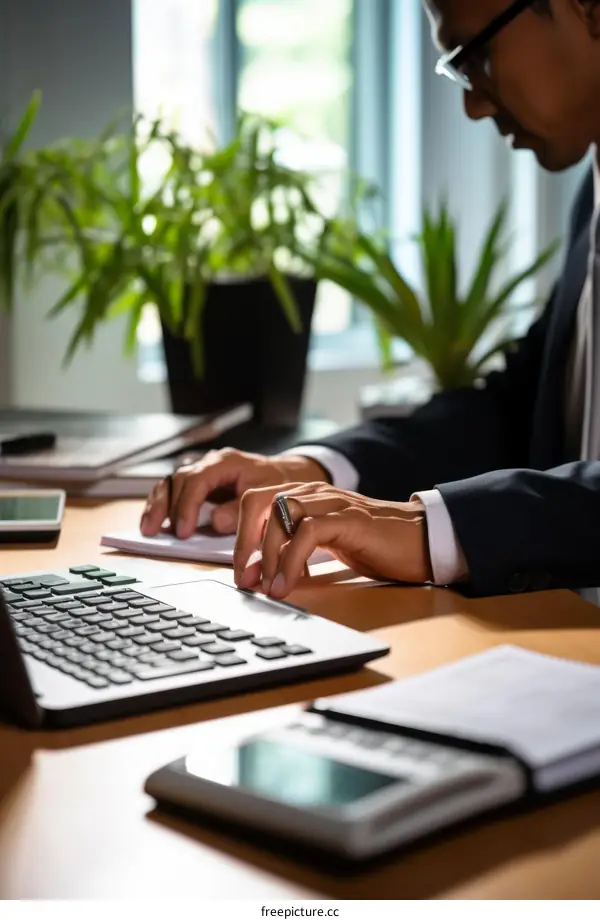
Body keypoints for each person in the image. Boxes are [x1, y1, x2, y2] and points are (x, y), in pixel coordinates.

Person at [142, 0, 600, 601]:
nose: (472, 103)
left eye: (478, 54)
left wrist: (428, 529)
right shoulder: (592, 195)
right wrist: (314, 468)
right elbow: (514, 412)